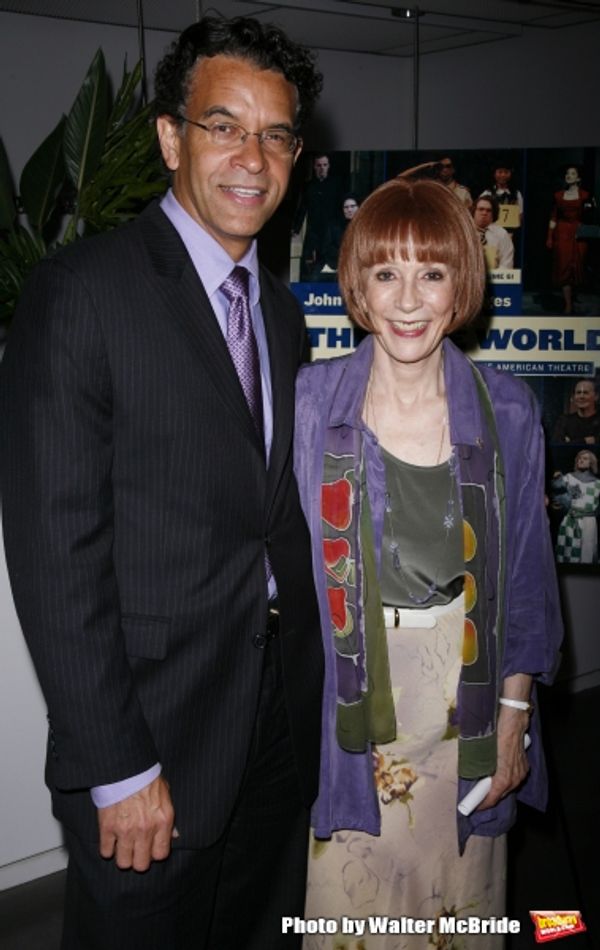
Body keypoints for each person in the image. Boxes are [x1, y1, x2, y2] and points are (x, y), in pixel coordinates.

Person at [0, 16, 324, 950]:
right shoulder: (81, 294)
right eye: (224, 126)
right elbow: (54, 555)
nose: (251, 158)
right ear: (172, 137)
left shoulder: (280, 312)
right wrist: (117, 766)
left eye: (275, 135)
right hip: (153, 737)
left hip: (274, 722)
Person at [294, 177, 562, 947]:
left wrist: (514, 721)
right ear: (359, 287)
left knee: (457, 920)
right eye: (386, 274)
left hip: (466, 713)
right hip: (348, 719)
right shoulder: (312, 404)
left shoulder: (507, 409)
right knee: (353, 922)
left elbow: (526, 581)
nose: (408, 300)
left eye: (433, 273)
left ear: (462, 286)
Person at [546, 165, 591, 314]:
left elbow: (591, 216)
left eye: (572, 174)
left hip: (579, 233)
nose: (568, 176)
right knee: (564, 268)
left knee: (577, 268)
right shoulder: (558, 195)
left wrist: (584, 231)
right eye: (567, 173)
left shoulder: (585, 195)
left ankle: (574, 298)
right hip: (562, 233)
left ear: (578, 178)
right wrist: (549, 236)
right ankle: (568, 305)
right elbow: (553, 217)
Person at [293, 153, 344, 280]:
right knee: (308, 267)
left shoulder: (336, 185)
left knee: (332, 267)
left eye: (324, 165)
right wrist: (296, 228)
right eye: (319, 165)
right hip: (313, 232)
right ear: (314, 167)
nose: (322, 168)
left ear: (329, 166)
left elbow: (340, 208)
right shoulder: (308, 186)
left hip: (331, 233)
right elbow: (302, 208)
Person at [554, 450, 600, 563]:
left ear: (591, 463)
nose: (581, 460)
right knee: (568, 553)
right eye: (579, 458)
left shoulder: (598, 483)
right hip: (570, 520)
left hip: (589, 521)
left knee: (587, 553)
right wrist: (557, 478)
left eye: (585, 458)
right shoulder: (569, 477)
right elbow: (554, 487)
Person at [320, 192, 360, 276]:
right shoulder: (334, 226)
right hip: (337, 267)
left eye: (352, 206)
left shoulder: (366, 227)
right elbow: (326, 248)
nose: (349, 210)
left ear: (359, 207)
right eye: (346, 207)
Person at [552, 377, 600, 444]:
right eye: (578, 393)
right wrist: (585, 441)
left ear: (596, 396)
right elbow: (557, 446)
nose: (581, 396)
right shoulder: (564, 421)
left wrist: (570, 442)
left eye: (585, 393)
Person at [472, 194, 515, 270]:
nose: (484, 213)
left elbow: (507, 264)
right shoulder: (464, 232)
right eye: (481, 209)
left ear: (493, 214)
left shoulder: (502, 234)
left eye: (488, 210)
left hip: (495, 279)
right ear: (474, 211)